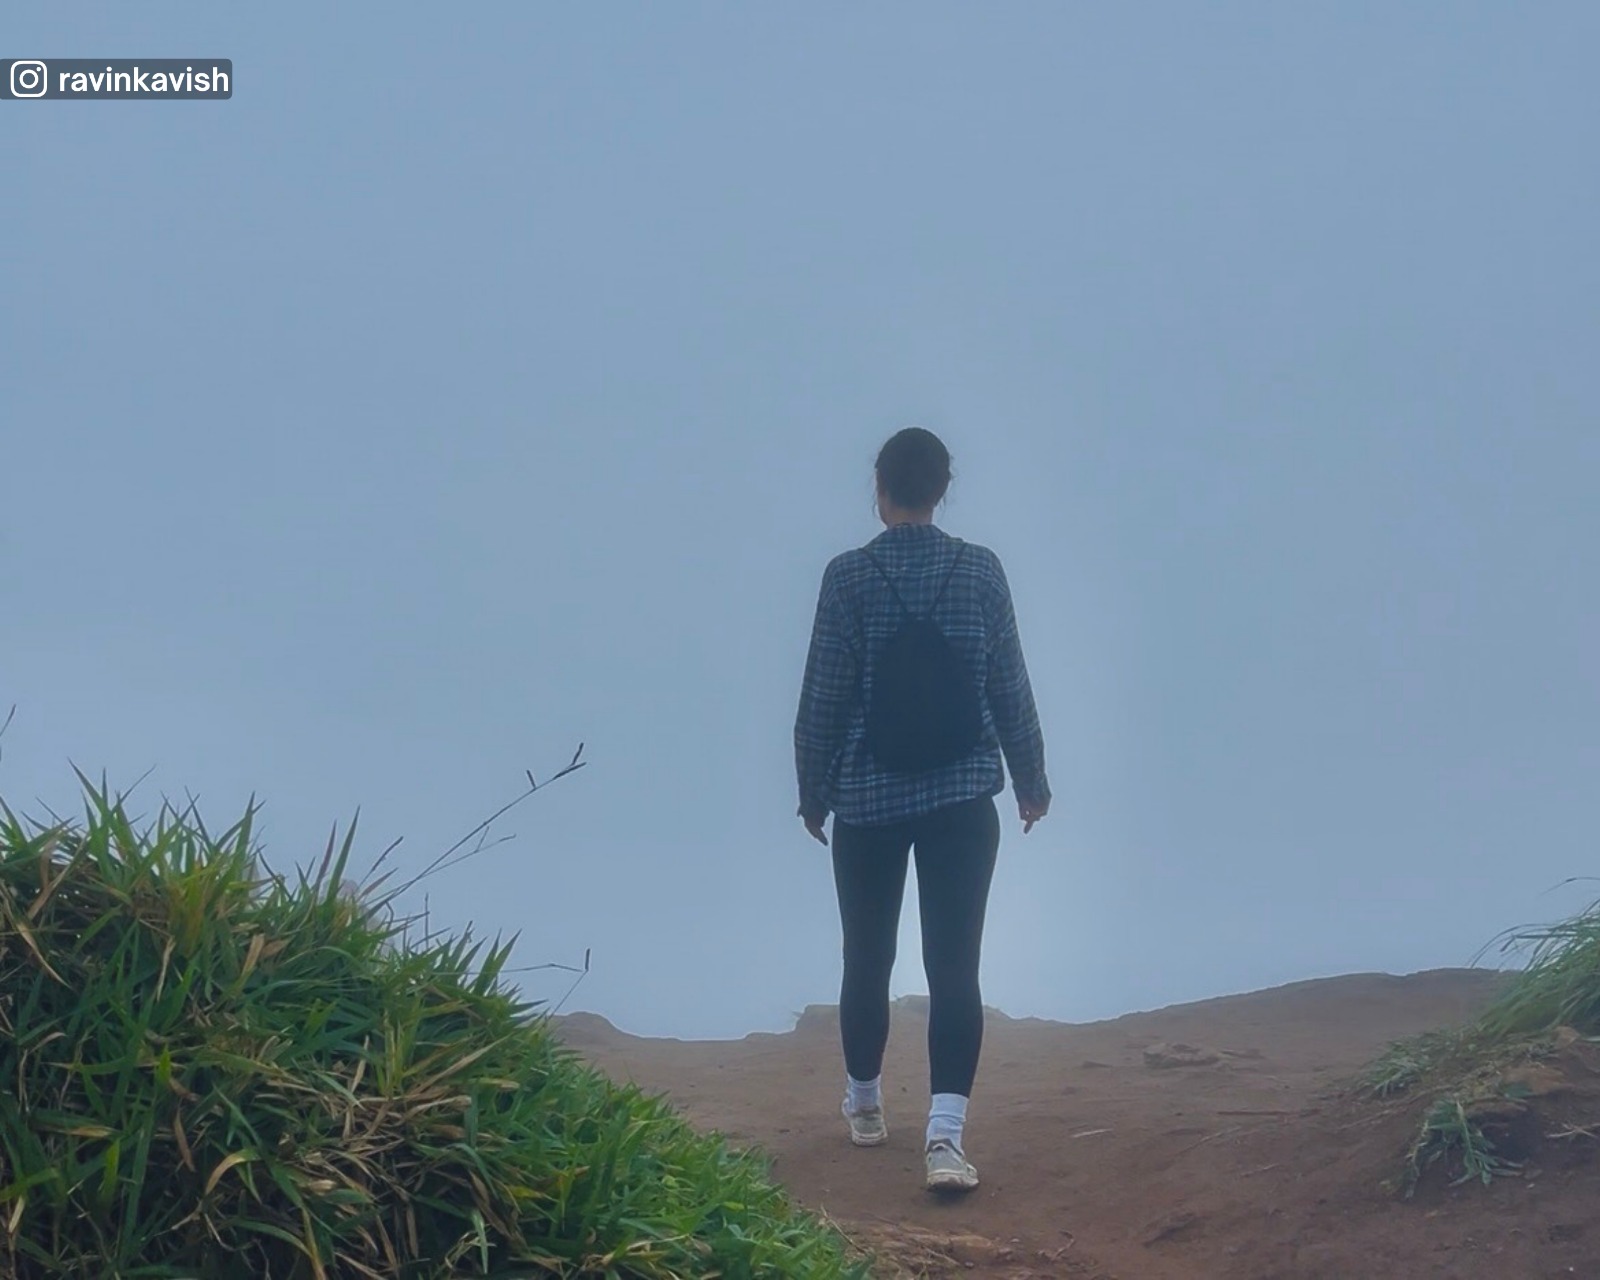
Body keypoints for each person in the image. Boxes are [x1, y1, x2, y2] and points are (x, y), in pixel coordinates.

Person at [794, 426, 1051, 1193]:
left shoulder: (847, 578)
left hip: (868, 803)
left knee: (866, 957)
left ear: (881, 492)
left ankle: (866, 1104)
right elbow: (1010, 686)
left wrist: (813, 793)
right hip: (962, 799)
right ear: (943, 490)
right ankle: (945, 1141)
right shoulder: (981, 572)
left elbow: (823, 700)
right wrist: (1031, 781)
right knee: (954, 966)